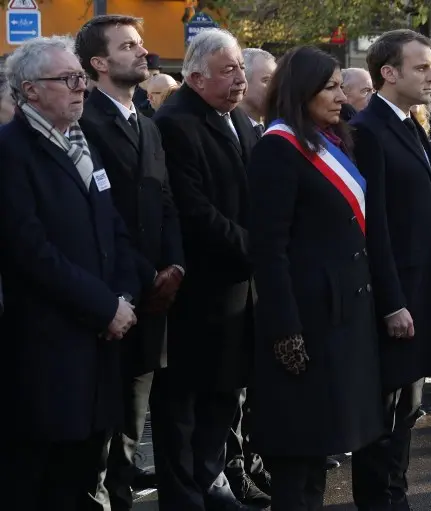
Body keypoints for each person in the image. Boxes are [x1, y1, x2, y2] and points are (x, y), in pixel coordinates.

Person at [0, 35, 140, 510]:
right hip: (47, 350)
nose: (81, 88)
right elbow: (31, 251)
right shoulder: (11, 152)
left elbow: (114, 229)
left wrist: (124, 298)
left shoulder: (82, 144)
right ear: (29, 91)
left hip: (99, 345)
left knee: (82, 478)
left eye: (81, 77)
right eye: (67, 79)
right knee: (38, 482)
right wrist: (105, 307)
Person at [246, 45, 384, 511]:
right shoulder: (277, 148)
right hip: (305, 321)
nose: (341, 98)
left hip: (340, 319)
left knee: (319, 450)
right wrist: (286, 331)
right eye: (329, 88)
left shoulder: (330, 142)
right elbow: (269, 249)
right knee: (297, 458)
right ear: (300, 90)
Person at [350, 29, 431, 510]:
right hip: (393, 300)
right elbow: (372, 227)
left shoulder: (412, 123)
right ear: (388, 73)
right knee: (385, 413)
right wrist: (392, 301)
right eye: (422, 67)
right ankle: (380, 501)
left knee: (407, 411)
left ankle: (396, 496)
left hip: (420, 294)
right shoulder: (368, 130)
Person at [75, 15, 186, 510]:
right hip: (113, 295)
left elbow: (166, 202)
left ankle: (120, 493)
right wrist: (145, 276)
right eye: (128, 46)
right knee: (104, 424)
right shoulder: (84, 124)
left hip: (156, 295)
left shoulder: (146, 124)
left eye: (140, 44)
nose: (143, 53)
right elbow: (103, 219)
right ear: (99, 63)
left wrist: (176, 266)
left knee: (135, 417)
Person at [151, 29, 263, 511]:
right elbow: (195, 210)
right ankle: (187, 494)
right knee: (184, 402)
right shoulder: (177, 123)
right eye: (229, 70)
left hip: (238, 286)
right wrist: (255, 249)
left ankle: (211, 478)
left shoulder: (236, 116)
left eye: (241, 68)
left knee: (223, 394)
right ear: (195, 78)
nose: (240, 79)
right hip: (201, 290)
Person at [223, 46, 275, 504]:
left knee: (252, 390)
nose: (267, 88)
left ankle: (253, 461)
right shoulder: (235, 127)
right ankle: (234, 468)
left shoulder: (257, 129)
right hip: (233, 277)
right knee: (232, 395)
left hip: (259, 280)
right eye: (265, 80)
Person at [241, 48, 275, 136]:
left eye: (277, 81)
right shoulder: (230, 132)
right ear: (243, 82)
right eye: (266, 80)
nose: (275, 87)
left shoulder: (273, 131)